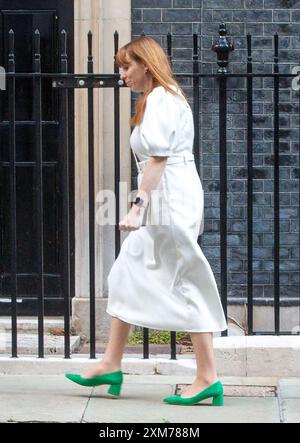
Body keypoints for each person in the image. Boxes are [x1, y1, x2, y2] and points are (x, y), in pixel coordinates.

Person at [65, 36, 227, 407]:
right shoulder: (162, 98)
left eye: (126, 66)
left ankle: (207, 377)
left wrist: (138, 206)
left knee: (186, 279)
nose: (121, 74)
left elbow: (158, 159)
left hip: (168, 196)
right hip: (167, 192)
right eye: (120, 67)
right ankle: (110, 362)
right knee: (126, 272)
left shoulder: (159, 99)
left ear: (146, 65)